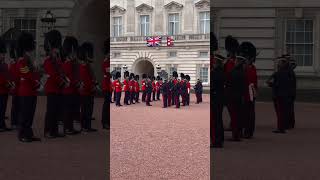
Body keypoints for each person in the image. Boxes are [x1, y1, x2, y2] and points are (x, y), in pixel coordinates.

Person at [16, 32, 41, 142]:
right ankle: (22, 134)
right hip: (26, 91)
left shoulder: (29, 60)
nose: (32, 50)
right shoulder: (22, 61)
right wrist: (36, 81)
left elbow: (34, 73)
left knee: (30, 114)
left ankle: (28, 133)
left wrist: (37, 72)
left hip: (32, 91)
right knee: (25, 114)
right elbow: (26, 75)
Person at [43, 30, 68, 138]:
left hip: (59, 89)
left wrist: (65, 80)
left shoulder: (57, 60)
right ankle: (48, 131)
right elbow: (52, 75)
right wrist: (62, 82)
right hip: (52, 89)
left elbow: (61, 71)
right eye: (55, 49)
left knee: (58, 111)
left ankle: (55, 131)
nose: (56, 50)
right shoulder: (48, 61)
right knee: (51, 111)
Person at [61, 36, 81, 135]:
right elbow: (69, 77)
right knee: (68, 111)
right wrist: (77, 83)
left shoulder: (73, 63)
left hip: (73, 90)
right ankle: (67, 128)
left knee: (71, 110)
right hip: (68, 90)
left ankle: (69, 127)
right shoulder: (67, 63)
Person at [229, 42, 247, 141]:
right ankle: (238, 133)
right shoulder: (242, 72)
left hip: (234, 97)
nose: (234, 61)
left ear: (239, 61)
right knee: (239, 116)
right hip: (240, 96)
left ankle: (235, 135)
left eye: (236, 60)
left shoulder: (234, 72)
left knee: (235, 117)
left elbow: (229, 84)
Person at [240, 42, 258, 139]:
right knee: (246, 113)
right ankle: (247, 130)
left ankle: (248, 131)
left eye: (246, 58)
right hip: (248, 93)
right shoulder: (249, 68)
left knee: (249, 113)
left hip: (249, 93)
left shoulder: (250, 68)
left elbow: (250, 82)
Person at [78, 42, 97, 132]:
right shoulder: (84, 66)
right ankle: (85, 126)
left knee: (88, 110)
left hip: (88, 90)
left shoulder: (86, 65)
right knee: (86, 110)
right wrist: (92, 87)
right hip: (86, 91)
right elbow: (85, 80)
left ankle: (86, 126)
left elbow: (91, 78)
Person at [224, 36, 239, 131]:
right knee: (231, 109)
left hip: (231, 88)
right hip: (229, 88)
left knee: (233, 109)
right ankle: (233, 124)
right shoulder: (230, 61)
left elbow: (228, 74)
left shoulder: (232, 62)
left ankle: (234, 126)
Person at [211, 54, 226, 148]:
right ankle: (220, 139)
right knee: (219, 119)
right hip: (220, 98)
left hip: (215, 98)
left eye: (214, 62)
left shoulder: (215, 73)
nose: (213, 63)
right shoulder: (223, 72)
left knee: (215, 120)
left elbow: (213, 86)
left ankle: (217, 141)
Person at [0, 38, 12, 132]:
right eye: (2, 54)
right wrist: (6, 83)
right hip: (1, 89)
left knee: (3, 108)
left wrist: (9, 83)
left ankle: (2, 124)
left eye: (4, 54)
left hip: (5, 89)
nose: (3, 56)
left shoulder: (4, 64)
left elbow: (7, 75)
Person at [8, 42, 19, 130]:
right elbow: (11, 76)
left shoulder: (18, 62)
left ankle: (17, 121)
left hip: (20, 87)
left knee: (19, 106)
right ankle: (14, 122)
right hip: (16, 87)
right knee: (15, 105)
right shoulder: (13, 64)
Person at [102, 39, 110, 130]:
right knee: (106, 105)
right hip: (106, 85)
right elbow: (108, 72)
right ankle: (105, 122)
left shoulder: (108, 61)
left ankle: (107, 121)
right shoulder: (106, 62)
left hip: (109, 85)